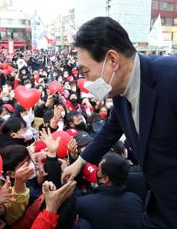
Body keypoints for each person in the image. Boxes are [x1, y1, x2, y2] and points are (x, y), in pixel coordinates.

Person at [62, 16, 177, 228]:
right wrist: (80, 162)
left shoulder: (171, 76)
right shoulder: (119, 91)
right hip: (159, 207)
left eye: (86, 71)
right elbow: (111, 129)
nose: (86, 82)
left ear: (112, 60)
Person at [76, 153, 143, 229]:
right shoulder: (134, 199)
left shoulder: (83, 204)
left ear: (105, 179)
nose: (96, 171)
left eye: (98, 169)